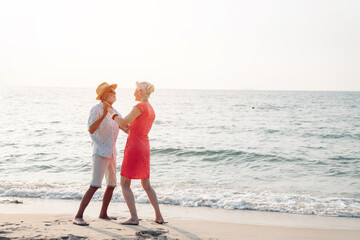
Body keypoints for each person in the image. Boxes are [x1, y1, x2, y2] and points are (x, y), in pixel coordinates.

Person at [107, 81, 165, 225]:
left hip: (134, 147)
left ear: (140, 92)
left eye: (135, 91)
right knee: (146, 184)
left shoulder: (139, 106)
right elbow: (135, 129)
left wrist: (110, 111)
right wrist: (125, 129)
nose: (133, 94)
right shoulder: (150, 108)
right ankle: (159, 216)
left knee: (125, 183)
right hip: (144, 145)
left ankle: (133, 218)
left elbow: (124, 120)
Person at [73, 82, 128, 226]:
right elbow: (91, 129)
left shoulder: (114, 111)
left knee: (111, 185)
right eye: (111, 91)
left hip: (111, 152)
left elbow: (125, 127)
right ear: (104, 95)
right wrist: (104, 113)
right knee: (95, 185)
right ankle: (78, 216)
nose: (115, 94)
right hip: (100, 152)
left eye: (114, 91)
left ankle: (103, 214)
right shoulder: (96, 109)